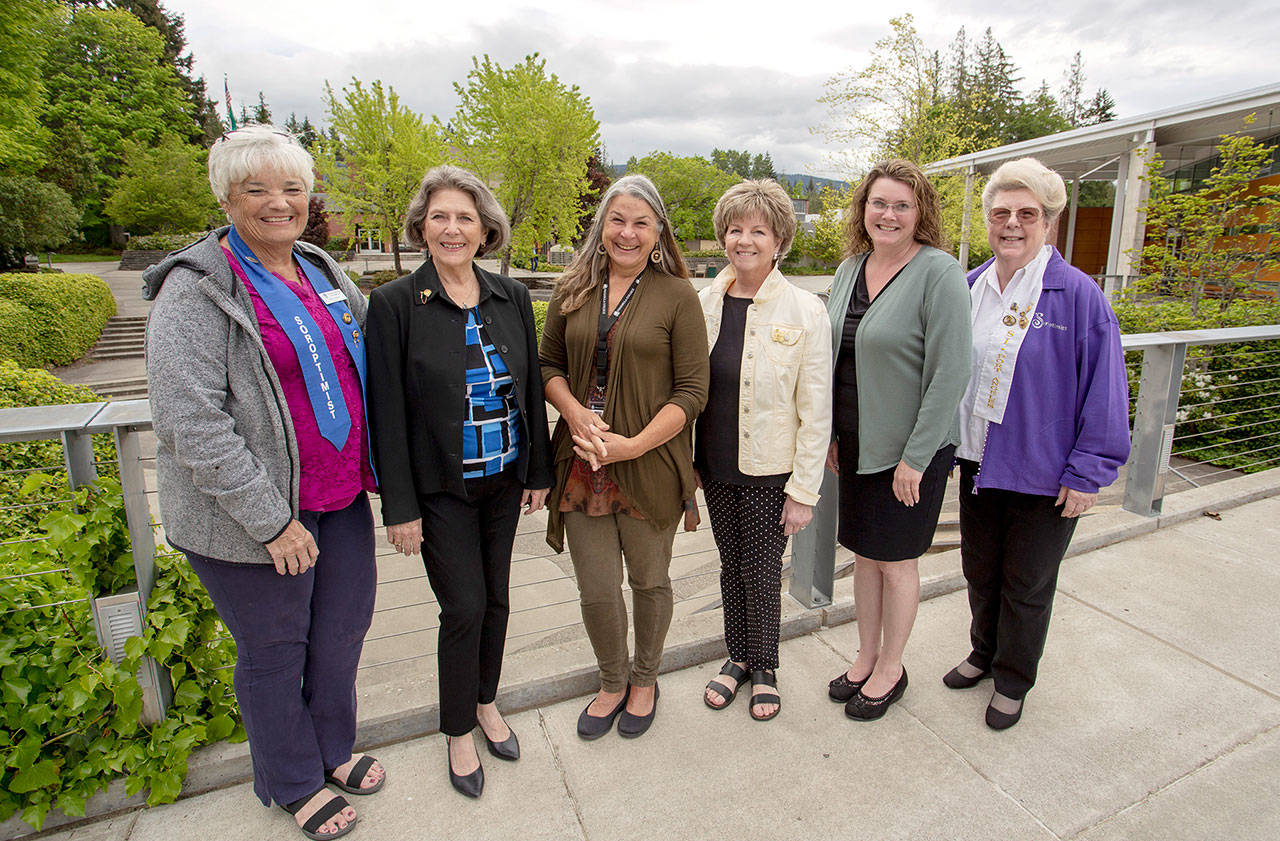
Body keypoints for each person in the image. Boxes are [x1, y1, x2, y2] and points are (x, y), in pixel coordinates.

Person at [144, 125, 383, 841]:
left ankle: (332, 748)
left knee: (341, 632)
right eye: (258, 190)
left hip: (339, 495)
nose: (279, 203)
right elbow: (191, 420)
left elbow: (363, 363)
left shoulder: (319, 269)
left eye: (293, 189)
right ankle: (292, 778)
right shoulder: (196, 290)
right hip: (255, 516)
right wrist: (269, 520)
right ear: (226, 196)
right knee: (275, 648)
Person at [365, 165, 552, 797]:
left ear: (485, 230)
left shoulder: (512, 297)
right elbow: (386, 411)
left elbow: (527, 392)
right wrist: (400, 508)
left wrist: (538, 472)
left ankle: (485, 700)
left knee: (496, 601)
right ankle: (457, 729)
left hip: (503, 480)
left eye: (465, 218)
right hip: (440, 489)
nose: (452, 229)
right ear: (421, 226)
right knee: (464, 607)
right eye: (440, 217)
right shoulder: (395, 305)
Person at [943, 158, 1130, 729]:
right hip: (978, 461)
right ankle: (983, 652)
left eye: (1028, 214)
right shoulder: (969, 287)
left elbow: (1105, 387)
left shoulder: (1077, 295)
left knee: (1027, 583)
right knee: (980, 570)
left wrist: (1087, 471)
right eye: (1001, 213)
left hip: (1045, 473)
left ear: (1048, 221)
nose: (1012, 225)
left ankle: (1013, 678)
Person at [540, 174, 709, 740]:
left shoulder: (677, 296)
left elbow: (692, 392)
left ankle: (644, 678)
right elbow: (548, 367)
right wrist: (573, 414)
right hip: (581, 466)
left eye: (641, 222)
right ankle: (611, 680)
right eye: (618, 220)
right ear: (601, 225)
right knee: (595, 585)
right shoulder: (573, 289)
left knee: (649, 579)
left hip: (649, 464)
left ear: (658, 231)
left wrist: (632, 445)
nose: (628, 233)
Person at [823, 159, 972, 721]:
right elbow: (832, 359)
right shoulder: (848, 270)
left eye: (901, 205)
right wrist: (834, 435)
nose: (888, 214)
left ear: (920, 213)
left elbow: (951, 370)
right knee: (864, 555)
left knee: (897, 562)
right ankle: (864, 655)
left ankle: (892, 667)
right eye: (878, 203)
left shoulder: (939, 273)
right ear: (863, 208)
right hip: (856, 443)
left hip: (912, 451)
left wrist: (916, 456)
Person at [696, 180, 831, 721]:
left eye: (758, 230)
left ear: (779, 241)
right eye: (735, 229)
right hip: (715, 465)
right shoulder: (702, 302)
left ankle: (765, 667)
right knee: (731, 566)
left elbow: (816, 409)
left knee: (762, 568)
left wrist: (803, 491)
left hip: (769, 470)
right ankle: (737, 657)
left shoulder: (804, 310)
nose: (744, 240)